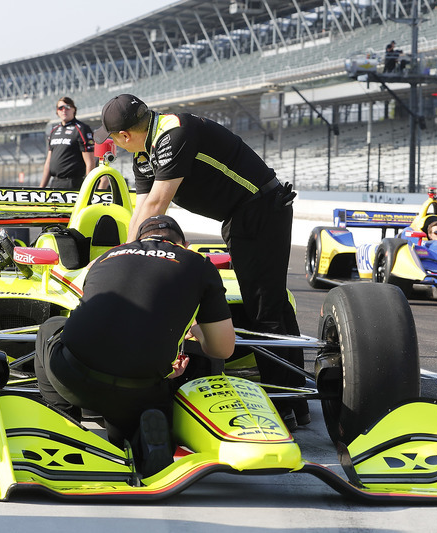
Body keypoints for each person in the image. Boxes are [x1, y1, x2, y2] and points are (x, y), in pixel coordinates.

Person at [94, 94, 308, 428]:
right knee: (273, 305)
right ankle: (296, 399)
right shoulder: (144, 154)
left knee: (264, 309)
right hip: (242, 216)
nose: (117, 147)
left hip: (260, 209)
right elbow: (141, 210)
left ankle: (282, 403)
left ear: (123, 136)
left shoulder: (173, 133)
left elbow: (158, 204)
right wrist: (124, 255)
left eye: (113, 141)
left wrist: (123, 261)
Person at [34, 215, 235, 476]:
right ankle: (141, 441)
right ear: (183, 244)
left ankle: (65, 425)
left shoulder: (107, 257)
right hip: (138, 388)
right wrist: (193, 324)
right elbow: (223, 349)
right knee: (134, 410)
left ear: (138, 239)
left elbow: (99, 316)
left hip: (75, 377)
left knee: (50, 327)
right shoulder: (198, 264)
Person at [39, 96, 96, 190]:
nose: (64, 110)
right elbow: (48, 163)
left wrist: (88, 188)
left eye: (68, 107)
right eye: (60, 108)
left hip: (73, 183)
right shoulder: (54, 131)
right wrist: (41, 188)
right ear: (57, 112)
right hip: (55, 183)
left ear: (74, 109)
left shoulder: (82, 129)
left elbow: (90, 162)